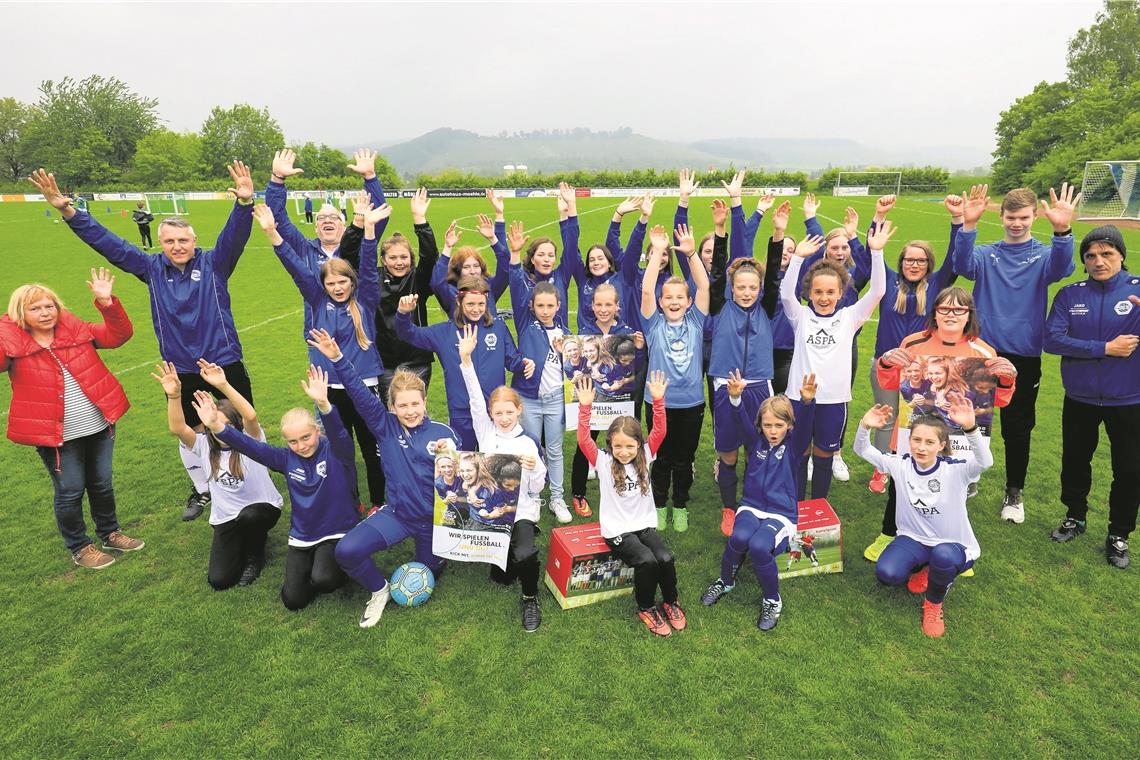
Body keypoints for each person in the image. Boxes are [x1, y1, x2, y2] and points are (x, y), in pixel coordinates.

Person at [29, 164, 257, 522]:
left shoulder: (215, 263)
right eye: (169, 241)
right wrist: (69, 211)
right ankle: (202, 489)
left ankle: (249, 481)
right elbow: (111, 245)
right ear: (161, 242)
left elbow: (234, 236)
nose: (177, 246)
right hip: (180, 367)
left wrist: (244, 204)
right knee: (191, 432)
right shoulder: (151, 269)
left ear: (194, 241)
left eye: (183, 240)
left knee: (240, 423)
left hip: (224, 360)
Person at [306, 329, 461, 629]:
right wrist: (337, 357)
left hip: (433, 522)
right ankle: (380, 590)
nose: (410, 411)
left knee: (427, 573)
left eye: (415, 404)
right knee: (346, 551)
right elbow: (359, 393)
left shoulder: (444, 435)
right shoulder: (384, 426)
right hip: (399, 515)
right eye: (402, 405)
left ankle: (432, 556)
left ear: (425, 401)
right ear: (392, 407)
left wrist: (452, 461)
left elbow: (465, 483)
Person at [952, 182, 1080, 523]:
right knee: (970, 421)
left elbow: (1062, 267)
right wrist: (968, 225)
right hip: (980, 352)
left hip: (1022, 356)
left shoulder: (1043, 256)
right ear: (1002, 216)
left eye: (1023, 217)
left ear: (1034, 216)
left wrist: (1062, 229)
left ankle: (1014, 492)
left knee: (1017, 427)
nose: (1016, 223)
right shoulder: (986, 252)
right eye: (1011, 217)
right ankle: (967, 479)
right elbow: (962, 264)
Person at [0, 268, 143, 569]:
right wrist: (7, 328)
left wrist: (107, 303)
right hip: (57, 436)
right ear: (19, 314)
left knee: (102, 484)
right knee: (70, 490)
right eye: (35, 308)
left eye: (49, 305)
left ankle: (110, 533)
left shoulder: (76, 331)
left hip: (98, 424)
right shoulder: (12, 345)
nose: (45, 313)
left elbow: (119, 336)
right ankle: (80, 547)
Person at [863, 287, 1017, 562]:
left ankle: (954, 547)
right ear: (934, 312)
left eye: (959, 309)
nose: (951, 314)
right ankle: (889, 534)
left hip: (956, 438)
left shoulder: (982, 351)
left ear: (969, 314)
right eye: (944, 308)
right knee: (902, 484)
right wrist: (886, 363)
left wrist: (1006, 379)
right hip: (913, 432)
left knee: (952, 491)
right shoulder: (912, 343)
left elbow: (998, 401)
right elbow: (890, 383)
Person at [255, 199, 391, 512]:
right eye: (331, 283)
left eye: (343, 281)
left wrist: (369, 230)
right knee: (338, 450)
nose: (338, 287)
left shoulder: (365, 299)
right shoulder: (317, 300)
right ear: (323, 285)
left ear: (351, 282)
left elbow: (368, 267)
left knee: (373, 449)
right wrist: (274, 235)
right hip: (329, 389)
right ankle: (350, 501)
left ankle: (380, 503)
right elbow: (294, 267)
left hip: (364, 386)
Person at [204, 366, 360, 611]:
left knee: (324, 579)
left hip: (337, 530)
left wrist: (324, 405)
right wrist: (216, 426)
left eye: (306, 437)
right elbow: (249, 446)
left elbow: (339, 431)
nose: (301, 446)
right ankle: (317, 565)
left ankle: (344, 564)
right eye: (293, 441)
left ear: (317, 431)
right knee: (293, 601)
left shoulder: (338, 451)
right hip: (304, 535)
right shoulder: (285, 458)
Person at [853, 395, 992, 638]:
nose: (921, 447)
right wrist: (864, 426)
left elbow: (985, 461)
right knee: (887, 574)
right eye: (916, 440)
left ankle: (934, 603)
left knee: (944, 555)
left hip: (953, 545)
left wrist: (970, 428)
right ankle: (924, 568)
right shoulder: (900, 465)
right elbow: (861, 449)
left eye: (929, 442)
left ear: (941, 445)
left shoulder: (956, 470)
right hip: (913, 539)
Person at [1043, 225, 1140, 569]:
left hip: (1129, 400)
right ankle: (1075, 516)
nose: (1099, 261)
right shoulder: (1071, 294)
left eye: (1107, 254)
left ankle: (1119, 534)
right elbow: (1051, 340)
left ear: (1121, 256)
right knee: (1074, 461)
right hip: (1080, 397)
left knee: (1129, 469)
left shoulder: (1137, 292)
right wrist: (1105, 348)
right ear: (1084, 261)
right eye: (1091, 256)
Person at [777, 204, 887, 502]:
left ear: (841, 293)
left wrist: (875, 252)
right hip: (799, 398)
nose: (824, 298)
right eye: (818, 292)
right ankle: (797, 505)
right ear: (809, 293)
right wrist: (798, 257)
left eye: (830, 292)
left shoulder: (850, 317)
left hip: (833, 400)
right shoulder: (799, 316)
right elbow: (786, 293)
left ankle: (818, 506)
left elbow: (877, 291)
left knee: (824, 455)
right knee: (799, 454)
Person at [860, 194, 961, 493]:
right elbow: (872, 252)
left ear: (928, 264)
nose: (913, 265)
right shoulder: (887, 282)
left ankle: (926, 466)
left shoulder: (939, 284)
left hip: (925, 367)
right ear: (901, 262)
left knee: (925, 420)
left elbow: (955, 257)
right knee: (886, 418)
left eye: (920, 260)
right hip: (886, 364)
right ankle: (881, 469)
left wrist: (957, 220)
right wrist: (878, 216)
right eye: (908, 259)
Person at [700, 372, 816, 632]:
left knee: (759, 546)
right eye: (767, 425)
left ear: (789, 426)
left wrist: (808, 404)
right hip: (752, 505)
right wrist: (735, 398)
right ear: (761, 425)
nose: (773, 431)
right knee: (739, 538)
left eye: (778, 425)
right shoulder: (756, 443)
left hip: (781, 514)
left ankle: (772, 600)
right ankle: (725, 581)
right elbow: (741, 421)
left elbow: (806, 427)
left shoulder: (795, 446)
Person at [154, 360, 282, 589]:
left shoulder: (250, 442)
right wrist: (174, 396)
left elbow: (250, 417)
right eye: (212, 423)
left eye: (226, 424)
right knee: (220, 580)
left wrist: (223, 385)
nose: (219, 429)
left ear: (236, 425)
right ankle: (243, 541)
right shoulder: (203, 444)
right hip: (227, 517)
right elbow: (177, 429)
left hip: (262, 508)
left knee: (250, 518)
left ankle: (256, 554)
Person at [576, 372, 686, 637]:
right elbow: (583, 440)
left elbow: (660, 431)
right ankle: (646, 607)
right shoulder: (602, 462)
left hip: (643, 525)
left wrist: (658, 401)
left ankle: (671, 602)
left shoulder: (646, 455)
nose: (623, 451)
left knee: (665, 557)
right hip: (617, 530)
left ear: (639, 445)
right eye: (618, 446)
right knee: (647, 561)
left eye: (629, 446)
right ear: (610, 445)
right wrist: (585, 406)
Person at [459, 321, 548, 628]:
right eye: (498, 412)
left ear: (519, 410)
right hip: (492, 510)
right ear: (491, 413)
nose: (505, 417)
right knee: (501, 577)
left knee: (525, 557)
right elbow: (474, 397)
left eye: (510, 412)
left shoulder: (527, 442)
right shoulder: (485, 432)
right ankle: (505, 552)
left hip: (520, 510)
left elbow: (538, 487)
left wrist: (534, 469)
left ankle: (531, 599)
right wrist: (467, 361)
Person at [706, 195, 782, 536]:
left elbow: (775, 278)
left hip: (759, 384)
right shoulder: (721, 306)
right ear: (732, 289)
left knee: (757, 447)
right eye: (741, 287)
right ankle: (727, 507)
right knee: (728, 451)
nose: (747, 292)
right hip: (725, 384)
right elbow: (718, 270)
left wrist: (778, 235)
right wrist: (719, 230)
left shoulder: (766, 307)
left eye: (753, 287)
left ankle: (753, 500)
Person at [395, 283, 533, 451]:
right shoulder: (444, 332)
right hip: (462, 412)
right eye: (470, 304)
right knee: (464, 463)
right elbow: (409, 334)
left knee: (494, 462)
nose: (476, 309)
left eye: (481, 304)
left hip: (494, 411)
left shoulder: (498, 328)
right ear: (459, 302)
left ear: (487, 302)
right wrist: (403, 314)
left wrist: (525, 363)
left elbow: (512, 360)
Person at [640, 223, 711, 532]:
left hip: (692, 403)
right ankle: (657, 505)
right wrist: (657, 252)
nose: (673, 301)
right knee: (662, 458)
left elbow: (705, 286)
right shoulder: (652, 325)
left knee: (684, 459)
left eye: (679, 297)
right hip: (658, 402)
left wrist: (692, 253)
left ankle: (679, 504)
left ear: (688, 301)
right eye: (667, 297)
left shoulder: (696, 321)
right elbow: (645, 288)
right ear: (660, 301)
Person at [569, 283, 646, 518]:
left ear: (617, 306)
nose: (603, 309)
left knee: (621, 443)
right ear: (592, 306)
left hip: (619, 402)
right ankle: (578, 493)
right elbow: (578, 366)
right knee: (585, 443)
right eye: (599, 304)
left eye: (608, 304)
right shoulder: (585, 331)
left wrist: (640, 350)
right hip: (593, 400)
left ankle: (626, 486)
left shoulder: (626, 332)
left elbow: (636, 368)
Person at [510, 281, 572, 523]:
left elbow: (573, 369)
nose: (545, 310)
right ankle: (532, 497)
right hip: (529, 399)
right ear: (531, 306)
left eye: (550, 305)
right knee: (532, 449)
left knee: (555, 451)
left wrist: (562, 352)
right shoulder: (526, 325)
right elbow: (516, 289)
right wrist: (513, 257)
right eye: (540, 305)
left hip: (556, 399)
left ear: (558, 306)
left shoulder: (565, 333)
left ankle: (557, 497)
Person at [431, 189, 510, 318]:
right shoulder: (451, 293)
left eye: (476, 266)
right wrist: (447, 248)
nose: (473, 271)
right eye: (466, 267)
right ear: (458, 270)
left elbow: (506, 268)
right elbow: (436, 283)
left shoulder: (489, 287)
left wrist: (495, 232)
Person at [507, 186, 576, 326]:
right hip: (531, 346)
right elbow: (514, 272)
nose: (546, 259)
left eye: (551, 255)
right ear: (532, 259)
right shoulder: (523, 281)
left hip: (561, 345)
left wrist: (569, 210)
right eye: (541, 254)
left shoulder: (560, 277)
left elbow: (571, 247)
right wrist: (515, 252)